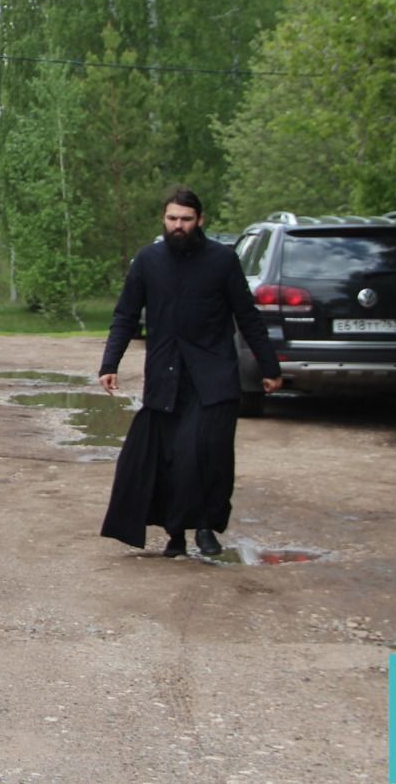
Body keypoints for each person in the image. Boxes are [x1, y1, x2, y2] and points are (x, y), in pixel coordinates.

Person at [98, 188, 281, 558]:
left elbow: (247, 315)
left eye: (185, 219)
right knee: (170, 459)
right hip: (167, 376)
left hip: (214, 376)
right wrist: (109, 364)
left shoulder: (222, 260)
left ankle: (205, 527)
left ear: (200, 220)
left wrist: (269, 367)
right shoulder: (148, 261)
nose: (178, 226)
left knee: (206, 455)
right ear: (163, 220)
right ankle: (176, 533)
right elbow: (126, 315)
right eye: (172, 219)